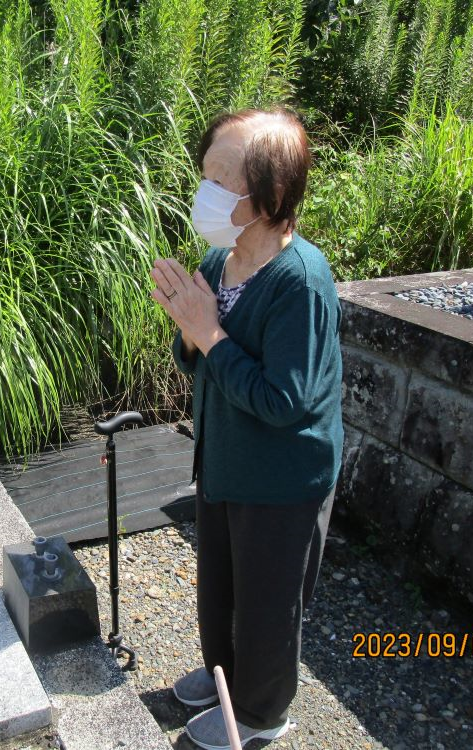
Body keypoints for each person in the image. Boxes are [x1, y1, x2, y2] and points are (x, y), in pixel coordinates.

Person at [149, 108, 343, 749]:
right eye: (205, 174)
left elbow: (284, 400)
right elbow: (203, 356)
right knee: (221, 582)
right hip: (226, 459)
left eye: (223, 180)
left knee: (267, 600)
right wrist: (189, 325)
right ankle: (223, 674)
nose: (206, 192)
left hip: (282, 477)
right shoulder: (220, 256)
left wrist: (208, 331)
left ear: (272, 195)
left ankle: (262, 712)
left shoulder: (301, 283)